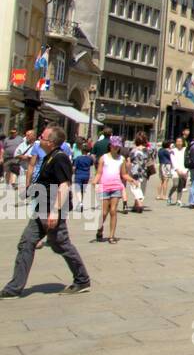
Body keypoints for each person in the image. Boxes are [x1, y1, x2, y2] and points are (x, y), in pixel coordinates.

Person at [0, 125, 90, 299]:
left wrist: (55, 211)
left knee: (61, 244)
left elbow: (64, 184)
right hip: (41, 207)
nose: (39, 138)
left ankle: (82, 280)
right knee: (26, 243)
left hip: (51, 209)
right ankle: (14, 288)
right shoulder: (49, 157)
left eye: (42, 137)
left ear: (51, 142)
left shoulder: (60, 158)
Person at [92, 136, 136, 243]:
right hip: (105, 187)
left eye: (117, 146)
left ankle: (111, 236)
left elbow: (124, 174)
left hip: (116, 186)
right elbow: (99, 173)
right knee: (104, 212)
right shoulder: (104, 158)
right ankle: (100, 228)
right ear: (110, 146)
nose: (115, 148)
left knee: (113, 211)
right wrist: (94, 182)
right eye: (113, 145)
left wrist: (132, 180)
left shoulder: (121, 159)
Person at [167, 139, 187, 206]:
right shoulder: (173, 151)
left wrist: (186, 170)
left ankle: (178, 200)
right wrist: (177, 170)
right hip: (175, 171)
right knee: (175, 184)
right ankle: (169, 196)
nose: (179, 143)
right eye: (177, 141)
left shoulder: (185, 150)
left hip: (183, 170)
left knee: (181, 186)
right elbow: (173, 160)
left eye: (180, 141)